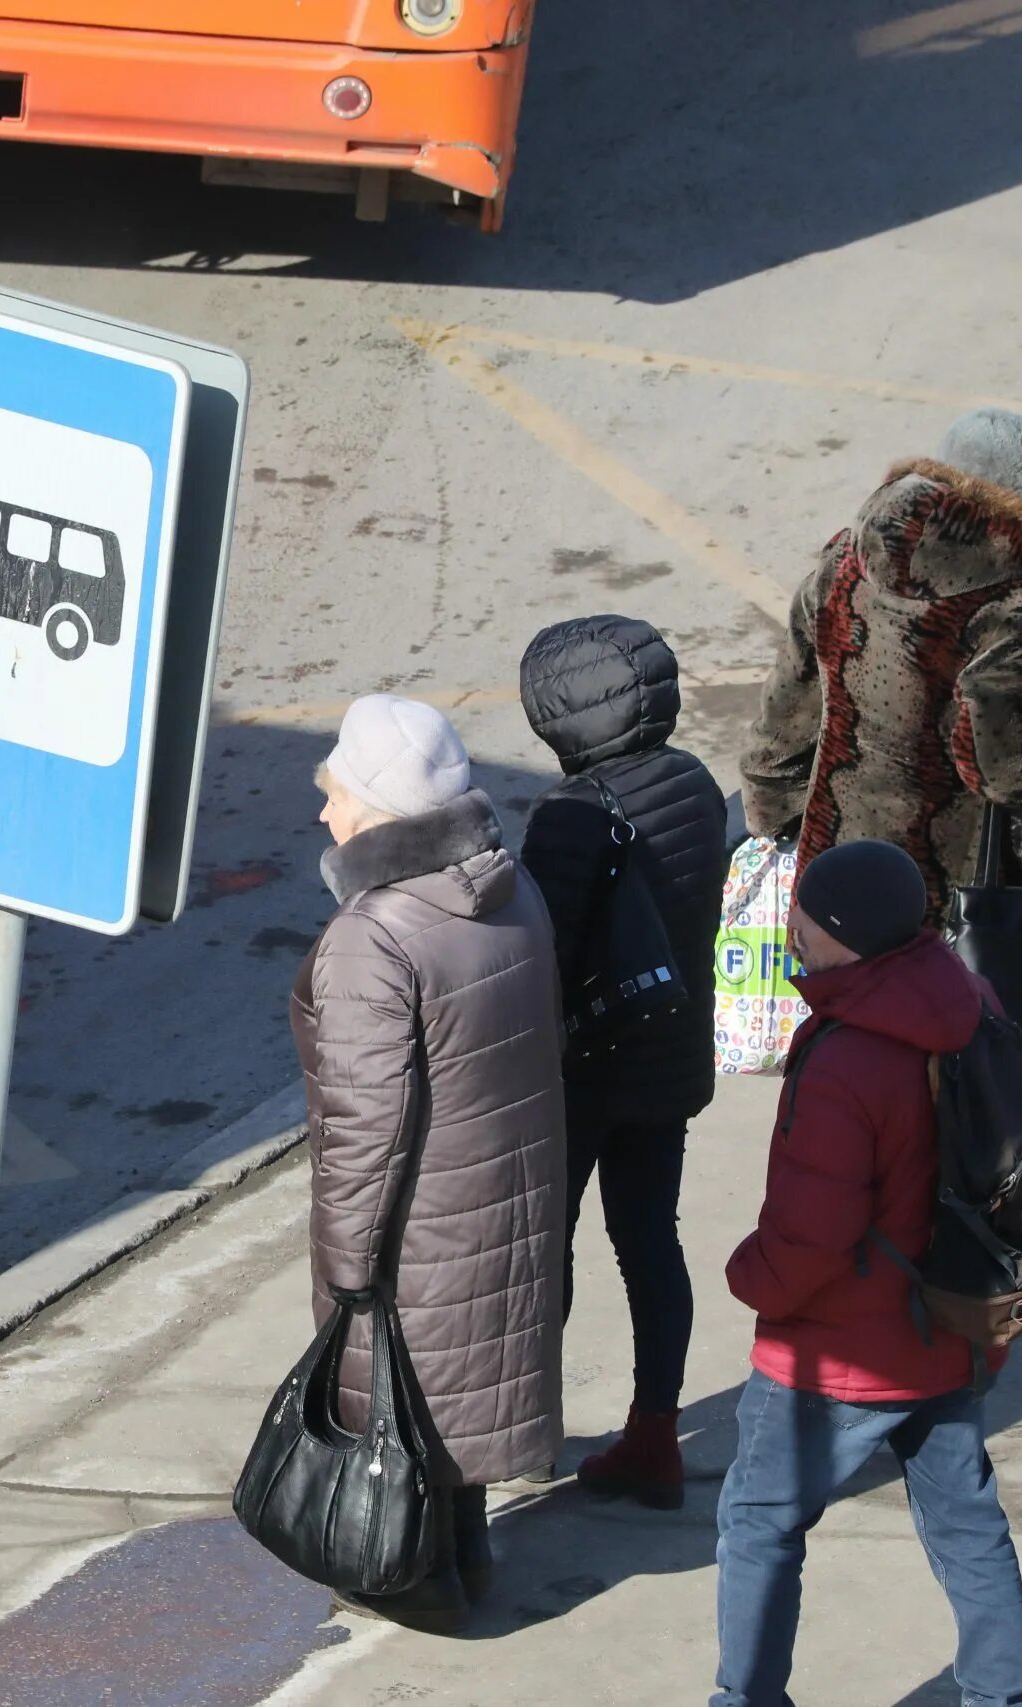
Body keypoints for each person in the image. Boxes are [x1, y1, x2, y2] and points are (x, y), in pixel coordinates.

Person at [714, 839, 1022, 1707]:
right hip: (956, 1324)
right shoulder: (971, 998)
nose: (793, 927)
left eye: (804, 917)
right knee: (969, 1524)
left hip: (844, 1349)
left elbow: (810, 1236)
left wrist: (752, 1277)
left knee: (759, 1521)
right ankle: (1002, 1697)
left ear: (838, 935)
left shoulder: (847, 1057)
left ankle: (745, 1698)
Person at [292, 694, 565, 1632]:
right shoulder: (509, 886)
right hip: (502, 1197)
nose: (324, 813)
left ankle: (415, 1578)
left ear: (376, 807)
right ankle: (466, 1556)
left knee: (402, 1395)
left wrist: (346, 1260)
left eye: (336, 793)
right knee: (461, 1385)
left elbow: (367, 1124)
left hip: (417, 1221)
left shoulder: (373, 937)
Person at [516, 615, 727, 1510]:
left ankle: (530, 1425)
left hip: (581, 1073)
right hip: (667, 1056)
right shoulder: (694, 782)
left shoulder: (568, 818)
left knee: (544, 1251)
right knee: (650, 1240)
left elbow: (538, 958)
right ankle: (654, 1434)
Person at [742, 409, 1022, 926]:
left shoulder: (844, 560)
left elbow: (787, 713)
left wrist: (777, 816)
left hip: (833, 865)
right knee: (934, 1004)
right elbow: (1009, 772)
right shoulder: (1008, 613)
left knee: (837, 999)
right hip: (943, 894)